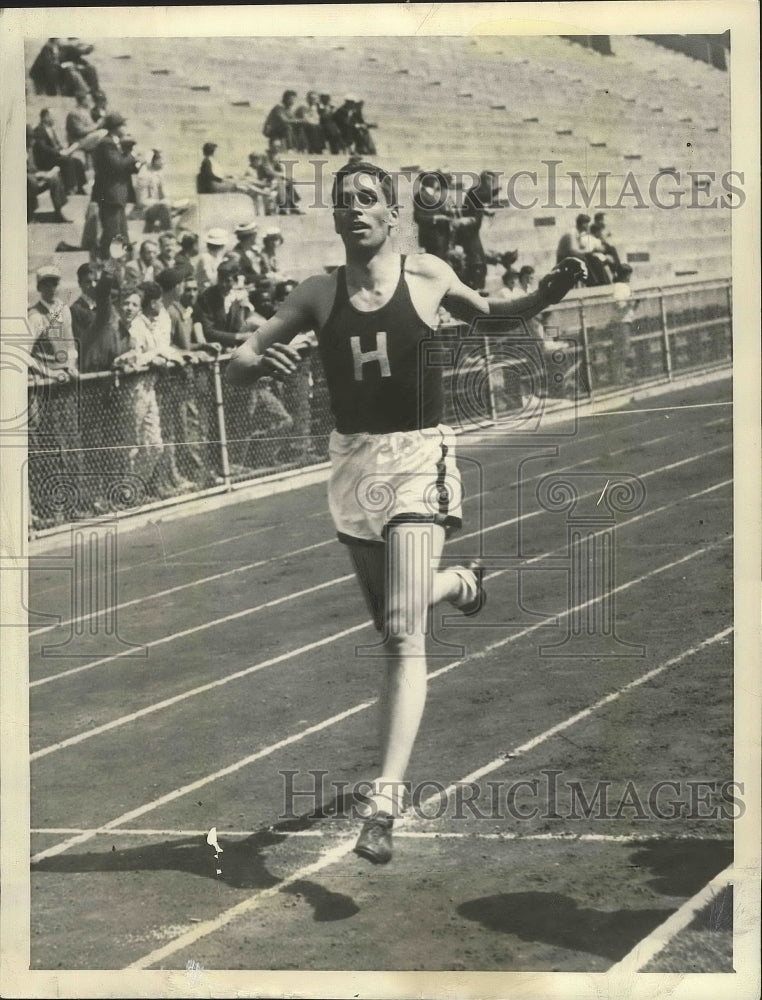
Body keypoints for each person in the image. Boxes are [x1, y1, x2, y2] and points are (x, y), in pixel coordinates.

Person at [227, 160, 585, 863]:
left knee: (399, 626)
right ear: (334, 218)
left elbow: (494, 319)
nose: (356, 208)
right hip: (352, 466)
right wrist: (251, 365)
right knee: (399, 619)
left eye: (369, 198)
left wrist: (548, 290)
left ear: (391, 213)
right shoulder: (316, 294)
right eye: (344, 201)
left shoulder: (426, 275)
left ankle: (383, 800)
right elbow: (240, 358)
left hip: (418, 458)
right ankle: (461, 585)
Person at [91, 112, 142, 259]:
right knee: (113, 235)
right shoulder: (106, 143)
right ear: (115, 127)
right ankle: (110, 270)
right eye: (123, 125)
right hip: (110, 196)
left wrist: (137, 163)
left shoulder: (114, 143)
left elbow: (125, 166)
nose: (125, 128)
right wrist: (132, 156)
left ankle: (117, 268)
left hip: (117, 196)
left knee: (120, 234)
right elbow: (117, 165)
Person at [32, 108, 88, 195]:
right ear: (45, 117)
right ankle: (69, 188)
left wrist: (65, 150)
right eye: (52, 116)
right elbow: (43, 148)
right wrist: (59, 153)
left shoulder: (51, 130)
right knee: (66, 161)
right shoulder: (39, 130)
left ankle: (81, 187)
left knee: (77, 161)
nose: (54, 118)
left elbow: (57, 144)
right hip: (45, 160)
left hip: (54, 157)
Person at [26, 125, 69, 223]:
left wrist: (45, 173)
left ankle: (58, 212)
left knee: (55, 178)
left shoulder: (30, 150)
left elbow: (34, 168)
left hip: (34, 176)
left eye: (33, 138)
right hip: (25, 181)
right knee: (31, 182)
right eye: (30, 138)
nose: (32, 141)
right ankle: (30, 215)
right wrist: (38, 175)